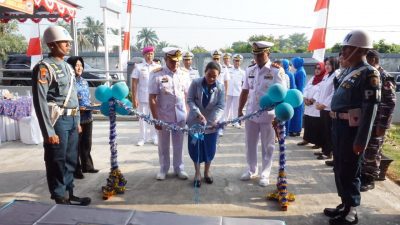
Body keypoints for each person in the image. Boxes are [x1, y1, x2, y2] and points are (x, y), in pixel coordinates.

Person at [323, 30, 381, 225]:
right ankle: (345, 203)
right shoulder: (348, 71)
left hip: (352, 130)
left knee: (350, 170)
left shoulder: (369, 73)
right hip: (339, 126)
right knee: (339, 168)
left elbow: (370, 109)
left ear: (360, 49)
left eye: (348, 47)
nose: (344, 51)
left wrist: (361, 140)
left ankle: (351, 212)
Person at [32, 26, 91, 205]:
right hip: (58, 121)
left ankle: (69, 192)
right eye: (64, 42)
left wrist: (78, 121)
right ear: (52, 45)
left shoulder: (68, 66)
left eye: (68, 43)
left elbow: (73, 96)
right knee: (57, 159)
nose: (68, 46)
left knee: (71, 159)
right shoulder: (44, 68)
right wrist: (48, 132)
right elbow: (40, 101)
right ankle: (59, 196)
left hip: (73, 119)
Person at [238, 41, 285, 187]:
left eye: (261, 54)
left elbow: (282, 95)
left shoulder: (276, 71)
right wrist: (240, 109)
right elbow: (245, 90)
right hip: (251, 114)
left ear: (268, 54)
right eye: (255, 54)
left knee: (268, 146)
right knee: (250, 144)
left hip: (268, 115)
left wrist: (278, 115)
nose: (257, 57)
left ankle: (265, 174)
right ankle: (252, 170)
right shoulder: (250, 70)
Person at [149, 47, 190, 181]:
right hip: (163, 116)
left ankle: (179, 168)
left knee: (179, 144)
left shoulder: (184, 74)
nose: (175, 64)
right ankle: (163, 168)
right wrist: (156, 119)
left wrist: (189, 116)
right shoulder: (157, 74)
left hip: (180, 116)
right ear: (166, 59)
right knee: (163, 144)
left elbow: (187, 96)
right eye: (172, 61)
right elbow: (152, 98)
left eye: (177, 61)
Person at [360, 50, 396, 192]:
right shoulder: (368, 75)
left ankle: (369, 178)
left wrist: (383, 125)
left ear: (373, 60)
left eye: (366, 61)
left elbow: (390, 103)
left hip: (377, 122)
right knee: (365, 148)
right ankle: (363, 175)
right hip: (366, 120)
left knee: (373, 151)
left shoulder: (384, 77)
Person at [187, 62, 225, 187]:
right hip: (195, 121)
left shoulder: (220, 87)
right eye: (209, 75)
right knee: (196, 148)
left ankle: (207, 172)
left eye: (214, 76)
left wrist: (213, 120)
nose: (211, 79)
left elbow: (220, 105)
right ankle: (197, 173)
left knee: (209, 149)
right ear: (205, 72)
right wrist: (197, 113)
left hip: (211, 124)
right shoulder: (196, 83)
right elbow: (190, 99)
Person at [66, 57, 99, 179]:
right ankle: (76, 170)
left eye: (81, 65)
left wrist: (92, 106)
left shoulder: (84, 81)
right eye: (76, 65)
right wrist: (79, 108)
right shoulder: (69, 82)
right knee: (75, 145)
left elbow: (86, 99)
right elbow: (68, 101)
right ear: (70, 67)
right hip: (75, 117)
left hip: (88, 117)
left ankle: (87, 166)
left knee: (86, 144)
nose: (79, 68)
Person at [131, 46, 161, 146]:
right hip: (143, 97)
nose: (150, 56)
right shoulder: (138, 67)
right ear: (144, 55)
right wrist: (134, 98)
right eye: (148, 54)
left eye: (151, 54)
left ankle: (154, 137)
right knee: (142, 119)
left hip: (155, 99)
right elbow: (134, 83)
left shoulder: (157, 67)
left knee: (154, 118)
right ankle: (142, 138)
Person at [315, 57, 340, 160]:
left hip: (328, 108)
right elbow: (321, 90)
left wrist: (324, 104)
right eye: (326, 64)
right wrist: (318, 102)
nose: (327, 66)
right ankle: (324, 150)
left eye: (329, 64)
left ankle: (328, 152)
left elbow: (334, 93)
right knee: (323, 130)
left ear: (335, 64)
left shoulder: (336, 75)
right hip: (322, 107)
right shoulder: (327, 75)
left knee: (329, 131)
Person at [297, 62, 325, 149]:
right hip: (308, 105)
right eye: (316, 68)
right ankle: (306, 139)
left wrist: (312, 100)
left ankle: (317, 142)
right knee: (308, 122)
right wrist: (305, 98)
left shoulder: (324, 79)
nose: (317, 70)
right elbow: (306, 88)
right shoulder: (313, 78)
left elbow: (320, 91)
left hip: (315, 105)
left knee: (316, 124)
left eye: (319, 68)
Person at [211, 50, 230, 136]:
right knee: (212, 110)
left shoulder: (224, 68)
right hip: (211, 91)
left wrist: (226, 94)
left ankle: (220, 129)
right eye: (214, 58)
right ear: (212, 58)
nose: (216, 60)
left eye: (217, 58)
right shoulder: (209, 67)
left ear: (220, 58)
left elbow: (226, 81)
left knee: (221, 110)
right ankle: (212, 126)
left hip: (221, 92)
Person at [224, 54, 245, 128]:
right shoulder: (228, 70)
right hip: (228, 92)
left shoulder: (243, 72)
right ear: (233, 61)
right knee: (226, 107)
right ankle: (224, 122)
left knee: (236, 108)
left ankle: (235, 122)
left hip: (237, 92)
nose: (237, 62)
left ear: (241, 62)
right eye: (236, 61)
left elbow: (243, 83)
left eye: (238, 61)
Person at [288, 57, 306, 137]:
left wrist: (297, 94)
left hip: (298, 95)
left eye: (294, 62)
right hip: (296, 94)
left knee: (297, 114)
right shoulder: (299, 70)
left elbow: (301, 85)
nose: (293, 64)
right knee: (295, 113)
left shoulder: (300, 72)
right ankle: (294, 129)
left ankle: (296, 130)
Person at [282, 59, 296, 136]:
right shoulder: (290, 74)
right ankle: (286, 132)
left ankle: (280, 132)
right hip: (288, 97)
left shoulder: (279, 73)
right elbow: (293, 87)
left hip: (280, 98)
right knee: (287, 114)